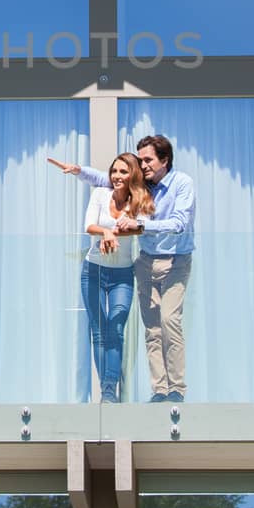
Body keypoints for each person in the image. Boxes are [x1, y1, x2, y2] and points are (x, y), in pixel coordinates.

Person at [50, 134, 196, 402]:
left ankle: (176, 390)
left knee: (168, 320)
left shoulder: (182, 184)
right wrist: (80, 171)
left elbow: (179, 224)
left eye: (148, 160)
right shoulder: (143, 184)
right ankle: (160, 391)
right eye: (140, 160)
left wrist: (140, 227)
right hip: (145, 262)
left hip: (175, 260)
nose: (143, 165)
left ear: (164, 160)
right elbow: (108, 180)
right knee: (151, 329)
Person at [77, 152, 154, 403]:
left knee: (116, 328)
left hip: (122, 274)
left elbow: (141, 227)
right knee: (99, 331)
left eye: (123, 172)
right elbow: (89, 226)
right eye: (114, 171)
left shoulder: (140, 200)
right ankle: (108, 390)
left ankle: (112, 386)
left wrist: (112, 233)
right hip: (93, 271)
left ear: (132, 174)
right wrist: (108, 232)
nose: (117, 176)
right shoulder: (100, 194)